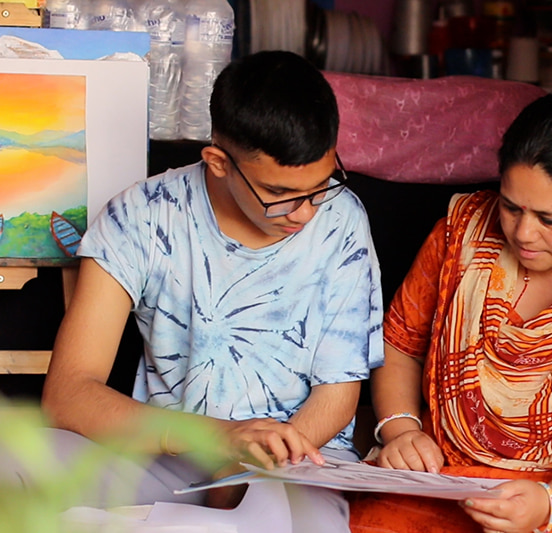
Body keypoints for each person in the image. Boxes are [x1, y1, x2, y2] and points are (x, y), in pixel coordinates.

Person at [18, 50, 382, 532]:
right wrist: (218, 438)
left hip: (290, 465)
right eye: (279, 195)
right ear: (217, 162)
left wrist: (253, 458)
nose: (305, 213)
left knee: (296, 522)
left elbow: (338, 397)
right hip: (166, 449)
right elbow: (68, 395)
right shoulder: (141, 215)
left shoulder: (344, 222)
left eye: (321, 186)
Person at [348, 94, 552, 533]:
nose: (523, 233)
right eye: (511, 207)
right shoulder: (463, 231)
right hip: (439, 478)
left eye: (550, 219)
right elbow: (399, 346)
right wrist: (400, 431)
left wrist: (548, 504)